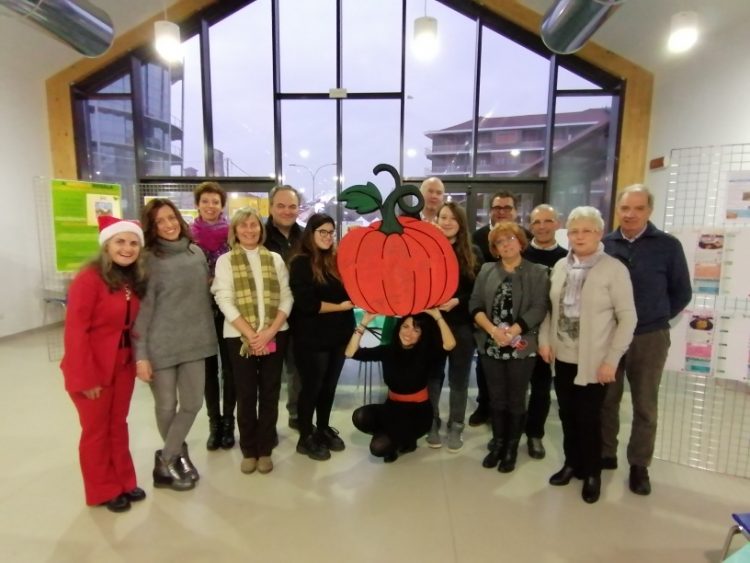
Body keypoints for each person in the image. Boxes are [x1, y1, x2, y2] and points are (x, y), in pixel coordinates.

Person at [539, 206, 637, 504]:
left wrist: (612, 360)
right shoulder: (559, 267)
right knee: (567, 415)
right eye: (574, 231)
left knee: (589, 418)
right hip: (562, 357)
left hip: (595, 363)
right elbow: (550, 310)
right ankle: (572, 463)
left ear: (599, 233)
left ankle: (592, 472)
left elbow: (628, 318)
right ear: (566, 234)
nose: (579, 236)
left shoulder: (613, 269)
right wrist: (545, 340)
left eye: (587, 230)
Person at [601, 184, 692, 495]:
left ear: (649, 211)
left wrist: (656, 317)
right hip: (610, 336)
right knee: (606, 399)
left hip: (649, 336)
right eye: (625, 208)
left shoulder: (668, 246)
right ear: (618, 211)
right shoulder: (605, 245)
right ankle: (605, 453)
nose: (631, 214)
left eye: (638, 208)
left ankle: (639, 465)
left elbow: (682, 291)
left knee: (645, 404)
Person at [61, 216, 148, 513]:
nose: (127, 248)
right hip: (92, 368)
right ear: (106, 245)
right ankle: (101, 489)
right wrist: (85, 378)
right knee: (96, 430)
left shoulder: (130, 278)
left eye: (134, 242)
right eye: (120, 241)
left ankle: (124, 481)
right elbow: (75, 331)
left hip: (122, 364)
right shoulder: (88, 279)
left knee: (117, 425)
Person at [134, 199, 217, 492]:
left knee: (193, 403)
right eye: (160, 221)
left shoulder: (196, 254)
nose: (168, 225)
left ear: (179, 219)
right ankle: (176, 458)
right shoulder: (147, 259)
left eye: (171, 218)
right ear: (152, 227)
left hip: (197, 340)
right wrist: (140, 355)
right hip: (161, 344)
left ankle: (166, 458)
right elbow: (143, 309)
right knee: (167, 405)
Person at [212, 207, 293, 475]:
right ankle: (249, 449)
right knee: (246, 395)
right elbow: (224, 299)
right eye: (243, 226)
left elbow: (287, 297)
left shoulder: (275, 259)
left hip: (274, 334)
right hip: (239, 338)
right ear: (235, 231)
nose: (249, 230)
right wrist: (251, 334)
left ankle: (265, 448)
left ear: (261, 228)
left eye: (254, 225)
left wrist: (269, 332)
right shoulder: (225, 261)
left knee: (270, 394)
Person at [469, 221, 549, 473]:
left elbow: (539, 307)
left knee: (516, 398)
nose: (506, 245)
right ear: (494, 248)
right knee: (497, 397)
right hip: (491, 343)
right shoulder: (486, 270)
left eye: (510, 239)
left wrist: (513, 331)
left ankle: (512, 448)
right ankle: (499, 443)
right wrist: (493, 331)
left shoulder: (537, 272)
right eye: (500, 242)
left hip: (521, 346)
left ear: (521, 242)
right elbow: (475, 304)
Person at [346, 310, 456, 463]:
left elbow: (450, 344)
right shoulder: (388, 350)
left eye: (416, 330)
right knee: (360, 417)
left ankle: (402, 440)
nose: (409, 333)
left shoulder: (426, 353)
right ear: (398, 327)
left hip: (417, 413)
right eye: (405, 327)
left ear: (421, 335)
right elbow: (351, 352)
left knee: (378, 448)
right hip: (392, 406)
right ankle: (393, 438)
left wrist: (437, 316)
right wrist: (364, 322)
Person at [288, 213, 355, 461]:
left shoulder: (335, 262)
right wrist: (341, 307)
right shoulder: (300, 263)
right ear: (311, 234)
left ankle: (323, 427)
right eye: (322, 232)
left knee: (329, 387)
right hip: (312, 339)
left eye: (330, 232)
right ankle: (305, 436)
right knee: (312, 388)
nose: (328, 237)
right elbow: (307, 304)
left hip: (338, 337)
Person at [469, 190, 532, 427]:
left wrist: (515, 329)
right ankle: (485, 408)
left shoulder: (529, 250)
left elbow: (537, 302)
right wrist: (488, 326)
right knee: (486, 374)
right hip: (488, 325)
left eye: (507, 207)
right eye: (497, 207)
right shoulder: (478, 238)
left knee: (516, 386)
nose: (501, 211)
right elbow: (476, 291)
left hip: (520, 331)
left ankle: (514, 427)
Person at [426, 202, 481, 452]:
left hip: (461, 324)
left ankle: (456, 423)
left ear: (461, 223)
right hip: (432, 323)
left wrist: (457, 300)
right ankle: (432, 420)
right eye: (442, 217)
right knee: (433, 375)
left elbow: (477, 293)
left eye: (452, 218)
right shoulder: (428, 250)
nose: (447, 222)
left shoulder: (474, 253)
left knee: (459, 378)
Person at [190, 181, 236, 451]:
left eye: (215, 202)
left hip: (229, 309)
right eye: (205, 201)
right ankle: (214, 423)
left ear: (222, 205)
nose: (210, 206)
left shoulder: (232, 234)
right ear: (198, 204)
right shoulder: (187, 235)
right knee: (209, 370)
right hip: (200, 310)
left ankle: (229, 422)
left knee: (230, 369)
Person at [521, 204, 568, 460]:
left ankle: (534, 434)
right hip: (521, 332)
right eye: (537, 222)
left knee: (541, 387)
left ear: (557, 224)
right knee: (517, 386)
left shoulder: (567, 259)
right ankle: (510, 431)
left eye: (547, 221)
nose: (542, 226)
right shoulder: (520, 254)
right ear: (530, 226)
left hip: (550, 334)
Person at [264, 185, 304, 431]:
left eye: (292, 206)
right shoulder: (258, 234)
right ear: (270, 207)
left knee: (297, 370)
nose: (287, 211)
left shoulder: (305, 236)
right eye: (281, 205)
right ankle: (267, 426)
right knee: (268, 375)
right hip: (267, 318)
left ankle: (296, 414)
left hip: (300, 317)